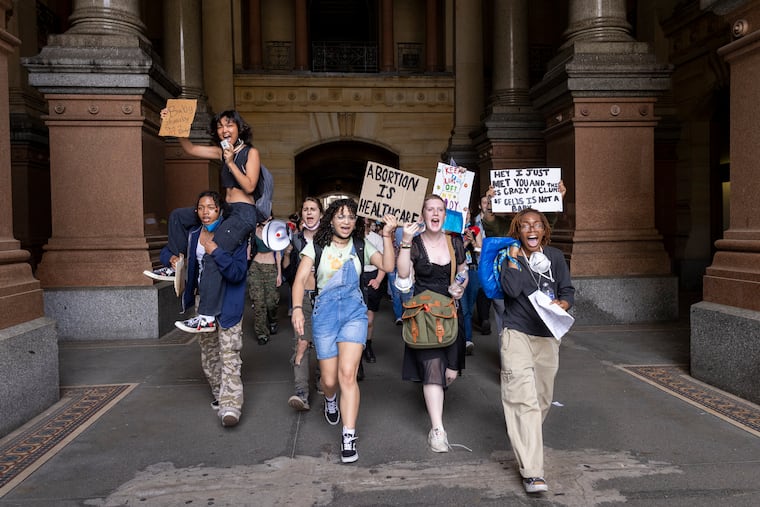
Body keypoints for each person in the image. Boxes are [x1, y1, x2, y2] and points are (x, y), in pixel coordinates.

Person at [291, 199, 396, 463]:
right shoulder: (316, 246)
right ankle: (330, 398)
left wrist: (387, 235)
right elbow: (300, 280)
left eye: (351, 217)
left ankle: (348, 436)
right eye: (341, 216)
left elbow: (390, 266)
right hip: (324, 315)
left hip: (353, 314)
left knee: (347, 374)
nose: (346, 221)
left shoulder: (362, 245)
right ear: (331, 219)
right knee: (329, 380)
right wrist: (297, 308)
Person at [149, 109, 265, 334]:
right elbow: (190, 148)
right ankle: (176, 263)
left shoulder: (251, 153)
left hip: (243, 213)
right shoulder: (220, 151)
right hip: (228, 210)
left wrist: (230, 162)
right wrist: (175, 125)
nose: (224, 130)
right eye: (220, 126)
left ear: (239, 128)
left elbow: (250, 186)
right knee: (178, 216)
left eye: (229, 125)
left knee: (213, 253)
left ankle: (207, 317)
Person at [499, 208, 574, 494]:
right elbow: (512, 290)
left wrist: (563, 305)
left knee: (542, 399)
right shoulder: (510, 256)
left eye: (536, 225)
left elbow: (567, 291)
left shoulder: (554, 257)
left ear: (544, 231)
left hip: (547, 336)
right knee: (523, 400)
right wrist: (516, 260)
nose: (531, 229)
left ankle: (525, 438)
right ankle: (532, 471)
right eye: (525, 225)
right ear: (518, 231)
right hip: (516, 332)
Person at [163, 191, 248, 427]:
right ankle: (220, 394)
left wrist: (216, 252)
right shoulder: (192, 235)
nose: (205, 212)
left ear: (220, 209)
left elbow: (238, 273)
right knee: (209, 354)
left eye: (210, 207)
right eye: (201, 208)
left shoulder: (234, 236)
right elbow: (167, 251)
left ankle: (231, 405)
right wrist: (172, 259)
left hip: (228, 302)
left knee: (229, 353)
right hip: (203, 302)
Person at [395, 194, 468, 453]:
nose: (435, 214)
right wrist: (404, 241)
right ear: (423, 215)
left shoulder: (455, 242)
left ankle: (436, 395)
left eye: (439, 209)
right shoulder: (413, 243)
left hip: (449, 313)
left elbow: (463, 270)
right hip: (424, 316)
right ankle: (438, 429)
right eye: (430, 209)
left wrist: (460, 286)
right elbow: (403, 274)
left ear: (444, 214)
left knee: (450, 373)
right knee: (433, 370)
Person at [281, 197, 323, 411]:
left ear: (320, 214)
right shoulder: (295, 240)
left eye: (313, 209)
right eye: (305, 209)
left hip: (325, 298)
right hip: (303, 297)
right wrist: (287, 254)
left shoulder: (330, 239)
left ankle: (321, 379)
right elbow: (289, 273)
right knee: (302, 343)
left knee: (324, 344)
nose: (309, 213)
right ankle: (301, 392)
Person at [247, 219, 282, 345]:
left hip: (271, 267)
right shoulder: (253, 231)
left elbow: (278, 253)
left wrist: (279, 273)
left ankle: (272, 320)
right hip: (256, 267)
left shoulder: (275, 230)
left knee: (271, 302)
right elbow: (249, 248)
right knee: (258, 302)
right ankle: (262, 333)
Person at [361, 217, 386, 364]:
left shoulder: (376, 238)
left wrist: (378, 279)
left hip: (372, 276)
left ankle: (368, 345)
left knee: (369, 320)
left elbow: (384, 262)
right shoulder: (352, 238)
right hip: (357, 276)